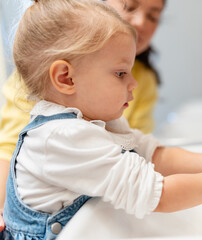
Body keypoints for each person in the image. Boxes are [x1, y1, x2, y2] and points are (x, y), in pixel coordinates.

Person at [0, 0, 202, 238]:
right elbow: (158, 195)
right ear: (66, 78)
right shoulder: (61, 137)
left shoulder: (97, 120)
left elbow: (152, 155)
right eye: (121, 73)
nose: (133, 83)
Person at [0, 0, 165, 231]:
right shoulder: (53, 116)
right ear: (65, 79)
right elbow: (9, 150)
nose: (140, 22)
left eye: (153, 16)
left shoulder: (141, 81)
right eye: (130, 6)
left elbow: (138, 150)